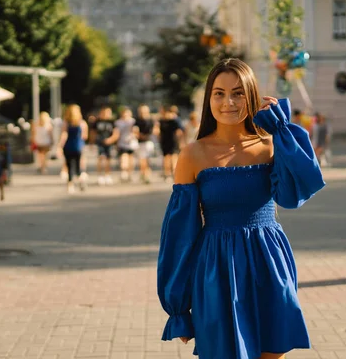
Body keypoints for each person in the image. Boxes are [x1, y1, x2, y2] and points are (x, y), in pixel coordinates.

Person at [157, 58, 325, 359]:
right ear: (209, 99)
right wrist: (178, 308)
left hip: (269, 261)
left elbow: (297, 191)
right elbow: (180, 235)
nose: (229, 102)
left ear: (252, 96)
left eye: (238, 93)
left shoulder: (271, 146)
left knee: (272, 353)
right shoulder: (192, 155)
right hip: (216, 269)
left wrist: (281, 129)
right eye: (219, 93)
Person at [58, 104, 89, 193]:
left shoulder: (66, 123)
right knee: (79, 166)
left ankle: (70, 185)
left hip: (68, 146)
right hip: (78, 146)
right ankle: (81, 180)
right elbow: (85, 136)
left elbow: (64, 135)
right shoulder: (82, 123)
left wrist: (59, 146)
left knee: (69, 166)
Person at [106, 108, 138, 183]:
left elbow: (136, 131)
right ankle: (124, 172)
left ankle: (130, 173)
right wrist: (115, 141)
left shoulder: (133, 121)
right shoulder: (118, 122)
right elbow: (116, 133)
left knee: (130, 158)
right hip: (122, 143)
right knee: (123, 157)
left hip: (131, 143)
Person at [158, 105, 183, 182]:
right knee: (173, 157)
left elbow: (158, 133)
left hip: (167, 141)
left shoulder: (162, 121)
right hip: (172, 140)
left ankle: (168, 174)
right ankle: (173, 174)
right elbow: (179, 132)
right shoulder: (174, 120)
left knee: (168, 157)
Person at [93, 107, 115, 185]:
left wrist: (111, 139)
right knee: (101, 158)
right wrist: (92, 142)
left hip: (109, 143)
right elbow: (93, 132)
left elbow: (116, 132)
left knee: (108, 160)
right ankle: (100, 175)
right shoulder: (97, 122)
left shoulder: (112, 122)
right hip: (100, 143)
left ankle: (107, 175)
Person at [135, 104, 156, 184]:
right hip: (140, 143)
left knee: (146, 159)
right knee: (142, 159)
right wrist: (140, 136)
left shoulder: (151, 120)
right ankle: (143, 173)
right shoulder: (137, 121)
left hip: (148, 142)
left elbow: (154, 130)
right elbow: (135, 131)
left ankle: (146, 174)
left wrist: (146, 136)